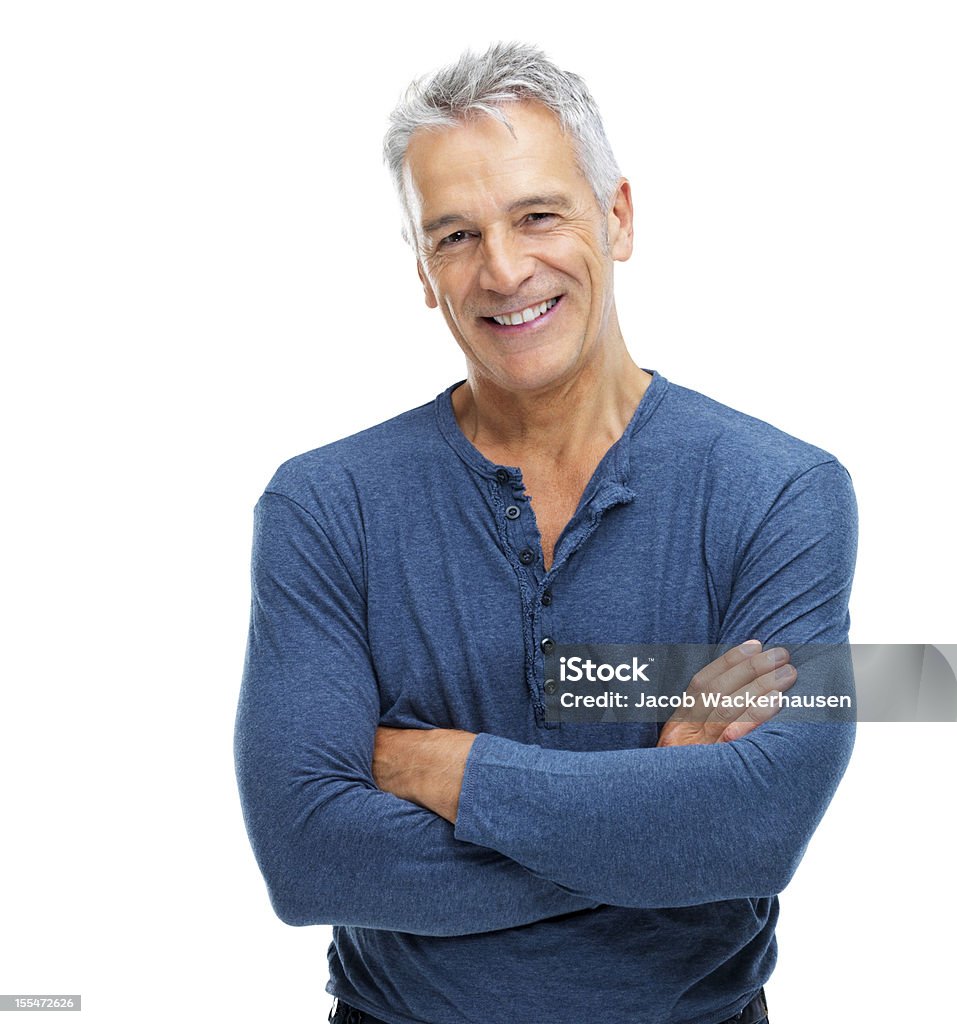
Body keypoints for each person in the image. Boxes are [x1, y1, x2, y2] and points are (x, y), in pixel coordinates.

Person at [233, 42, 858, 1024]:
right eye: (454, 235)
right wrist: (652, 804)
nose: (505, 268)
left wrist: (434, 765)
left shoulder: (781, 494)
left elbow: (755, 826)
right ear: (424, 272)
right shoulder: (326, 507)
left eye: (538, 214)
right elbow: (309, 859)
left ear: (616, 216)